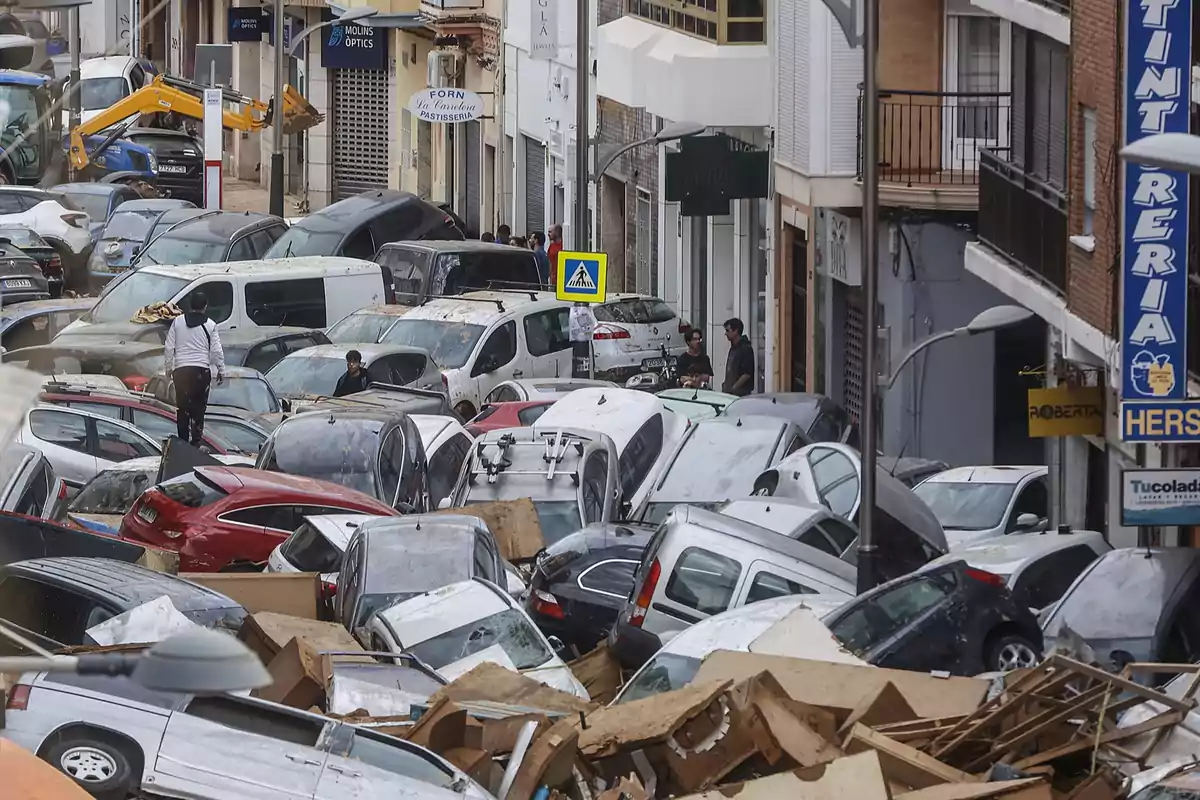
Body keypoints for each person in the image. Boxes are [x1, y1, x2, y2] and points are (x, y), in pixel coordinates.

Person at [164, 292, 224, 446]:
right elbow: (216, 350)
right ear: (205, 306)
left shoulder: (177, 322)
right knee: (198, 410)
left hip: (182, 372)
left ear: (190, 305)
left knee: (183, 409)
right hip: (201, 372)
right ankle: (196, 442)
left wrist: (168, 369)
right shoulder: (210, 325)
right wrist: (221, 369)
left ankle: (182, 442)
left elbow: (169, 347)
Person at [722, 317, 755, 397]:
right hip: (731, 393)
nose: (725, 334)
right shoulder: (734, 348)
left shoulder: (745, 348)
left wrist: (734, 388)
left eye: (727, 330)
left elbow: (747, 373)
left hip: (740, 394)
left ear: (736, 331)